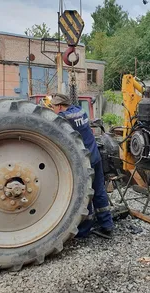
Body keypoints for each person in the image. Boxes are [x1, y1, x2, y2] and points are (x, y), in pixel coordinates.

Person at [50, 93, 114, 239]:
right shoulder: (80, 111)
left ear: (60, 106)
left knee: (85, 194)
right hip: (95, 156)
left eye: (53, 107)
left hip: (84, 162)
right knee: (99, 191)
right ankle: (107, 225)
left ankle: (84, 230)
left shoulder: (63, 118)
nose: (53, 110)